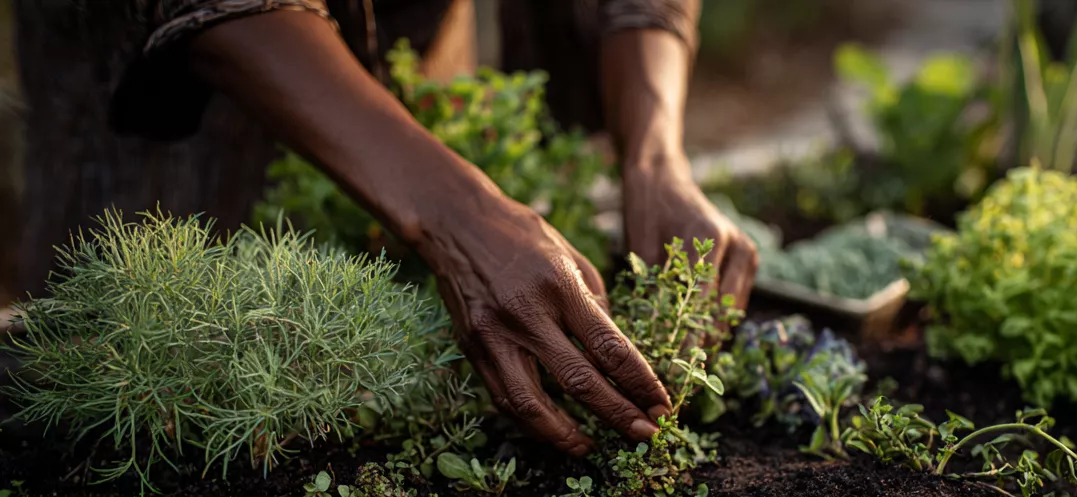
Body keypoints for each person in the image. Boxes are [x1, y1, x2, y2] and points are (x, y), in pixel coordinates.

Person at [13, 0, 759, 457]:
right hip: (176, 85)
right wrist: (458, 215)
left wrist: (656, 158)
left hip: (402, 27)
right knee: (142, 365)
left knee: (425, 315)